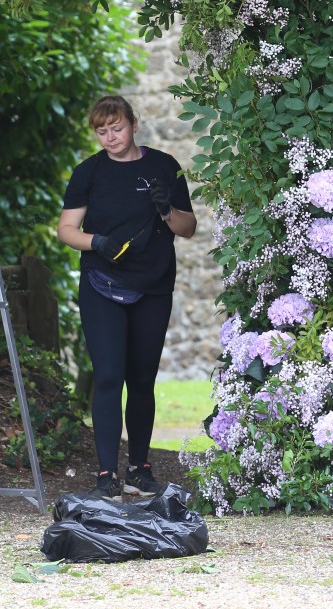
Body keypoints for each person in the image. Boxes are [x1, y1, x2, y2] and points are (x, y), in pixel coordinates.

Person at [57, 95, 196, 501]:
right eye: (102, 131)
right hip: (102, 283)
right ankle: (106, 474)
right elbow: (66, 229)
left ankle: (139, 468)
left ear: (134, 124)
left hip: (153, 286)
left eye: (116, 128)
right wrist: (96, 242)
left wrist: (167, 209)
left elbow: (187, 228)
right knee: (108, 376)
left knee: (141, 379)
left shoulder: (164, 166)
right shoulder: (89, 172)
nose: (110, 137)